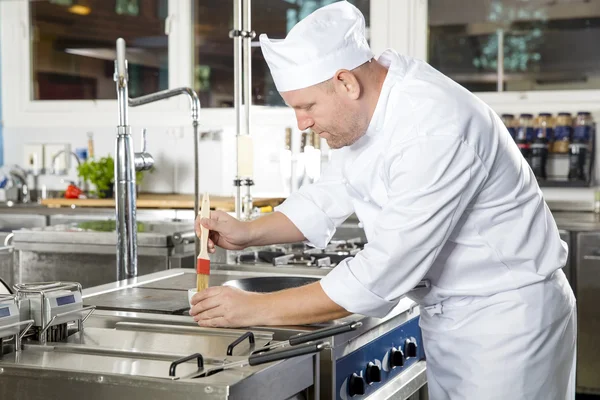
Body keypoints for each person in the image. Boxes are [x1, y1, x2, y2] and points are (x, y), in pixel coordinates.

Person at [190, 1, 576, 399]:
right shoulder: (372, 109)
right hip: (454, 320)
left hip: (507, 327)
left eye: (306, 107)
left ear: (345, 82)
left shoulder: (434, 126)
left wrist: (252, 309)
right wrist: (247, 233)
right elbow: (330, 192)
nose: (301, 123)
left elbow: (384, 269)